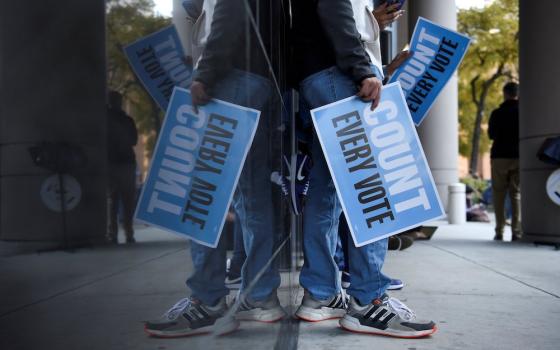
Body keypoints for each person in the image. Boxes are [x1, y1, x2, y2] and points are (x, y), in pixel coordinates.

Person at [291, 0, 436, 338]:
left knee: (327, 190)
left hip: (320, 76)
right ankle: (367, 301)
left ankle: (321, 294)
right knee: (372, 186)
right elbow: (333, 10)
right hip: (337, 77)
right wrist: (364, 70)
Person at [144, 0, 284, 338]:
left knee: (201, 190)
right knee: (252, 194)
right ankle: (261, 296)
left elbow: (229, 13)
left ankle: (208, 302)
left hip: (231, 80)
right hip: (261, 82)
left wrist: (204, 74)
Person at [488, 82, 522, 241]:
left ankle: (499, 231)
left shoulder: (496, 113)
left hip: (499, 156)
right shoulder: (523, 112)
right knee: (516, 194)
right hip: (518, 156)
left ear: (505, 94)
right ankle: (516, 231)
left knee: (499, 194)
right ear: (517, 94)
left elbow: (491, 135)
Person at [106, 91, 138, 244]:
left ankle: (114, 234)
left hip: (114, 163)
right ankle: (128, 233)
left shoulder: (106, 120)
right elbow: (133, 140)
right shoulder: (127, 120)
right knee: (126, 200)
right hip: (125, 163)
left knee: (113, 200)